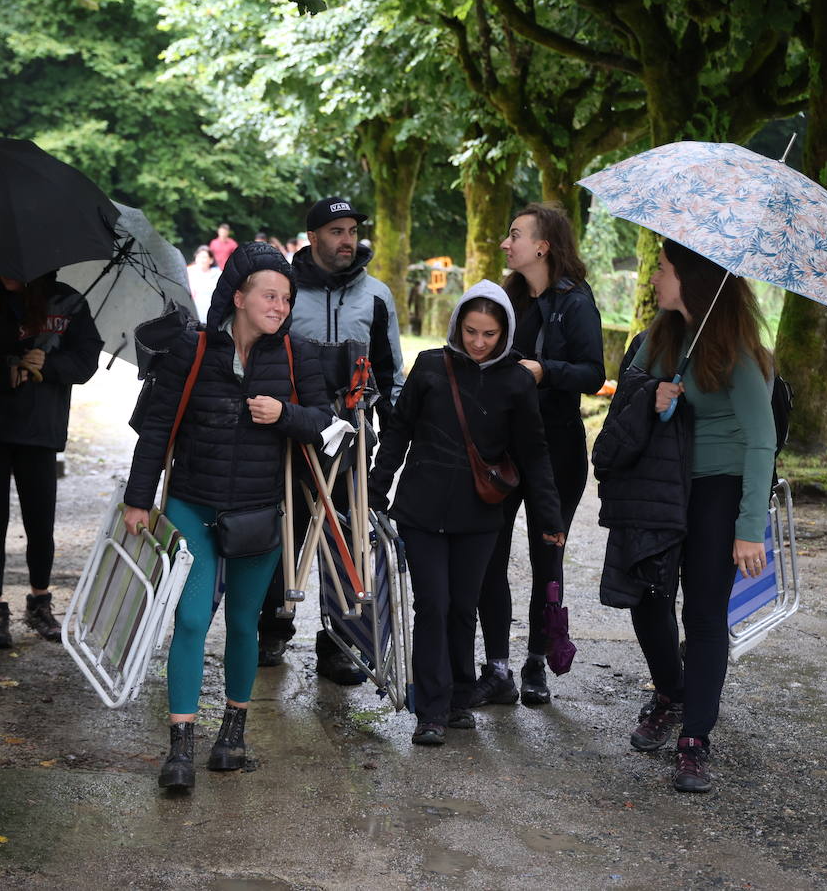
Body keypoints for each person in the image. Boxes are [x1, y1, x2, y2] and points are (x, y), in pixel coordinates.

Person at [120, 242, 332, 791]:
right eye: (270, 294)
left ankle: (233, 734)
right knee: (191, 619)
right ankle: (181, 747)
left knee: (243, 623)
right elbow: (157, 431)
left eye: (287, 298)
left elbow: (328, 429)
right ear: (238, 297)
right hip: (192, 504)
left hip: (260, 512)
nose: (281, 305)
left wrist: (284, 414)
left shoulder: (296, 357)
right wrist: (138, 500)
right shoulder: (191, 350)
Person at [368, 281, 565, 745]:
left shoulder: (516, 380)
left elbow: (534, 455)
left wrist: (550, 519)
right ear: (458, 325)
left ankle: (459, 697)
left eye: (490, 334)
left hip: (479, 516)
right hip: (422, 508)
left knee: (462, 607)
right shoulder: (431, 366)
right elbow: (398, 431)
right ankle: (430, 712)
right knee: (432, 604)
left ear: (505, 334)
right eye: (471, 331)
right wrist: (376, 488)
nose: (478, 342)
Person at [617, 238, 776, 793]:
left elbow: (762, 442)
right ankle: (670, 689)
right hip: (662, 485)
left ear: (690, 279)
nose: (654, 279)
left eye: (662, 270)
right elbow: (624, 405)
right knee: (644, 596)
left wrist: (749, 529)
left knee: (704, 614)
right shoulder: (657, 338)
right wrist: (653, 401)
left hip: (718, 490)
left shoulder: (737, 352)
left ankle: (695, 739)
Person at [255, 196, 406, 682]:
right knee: (285, 531)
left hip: (353, 436)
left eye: (352, 231)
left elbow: (389, 372)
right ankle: (273, 628)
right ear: (313, 236)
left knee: (347, 535)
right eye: (336, 231)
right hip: (292, 432)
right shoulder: (287, 291)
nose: (347, 240)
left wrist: (397, 429)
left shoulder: (377, 296)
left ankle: (340, 641)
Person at [471, 203, 605, 707]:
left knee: (547, 556)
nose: (507, 244)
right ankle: (497, 666)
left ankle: (535, 663)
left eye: (516, 235)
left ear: (543, 246)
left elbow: (593, 373)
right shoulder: (506, 298)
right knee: (490, 554)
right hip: (504, 449)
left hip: (558, 450)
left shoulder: (576, 303)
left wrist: (545, 371)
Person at [0, 271, 104, 648]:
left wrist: (50, 364)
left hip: (40, 428)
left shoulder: (68, 303)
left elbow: (86, 360)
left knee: (40, 519)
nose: (5, 270)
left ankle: (40, 602)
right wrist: (0, 361)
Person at [186, 245, 220, 319]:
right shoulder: (188, 272)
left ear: (211, 260)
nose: (201, 259)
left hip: (211, 315)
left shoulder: (218, 275)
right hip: (192, 315)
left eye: (204, 257)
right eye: (199, 256)